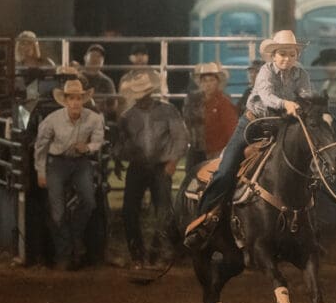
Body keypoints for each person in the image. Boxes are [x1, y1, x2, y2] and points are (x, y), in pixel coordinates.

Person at [184, 30, 312, 248]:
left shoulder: (301, 74)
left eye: (291, 54)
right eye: (282, 54)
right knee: (226, 169)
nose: (287, 59)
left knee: (304, 166)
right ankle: (203, 219)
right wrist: (287, 104)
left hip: (281, 127)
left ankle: (307, 226)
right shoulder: (265, 72)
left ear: (297, 55)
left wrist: (308, 104)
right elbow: (266, 96)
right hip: (252, 125)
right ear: (273, 55)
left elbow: (307, 94)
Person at [114, 73, 189, 268]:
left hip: (160, 166)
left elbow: (181, 138)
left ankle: (155, 252)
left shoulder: (168, 111)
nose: (141, 98)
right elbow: (121, 144)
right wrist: (121, 154)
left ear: (150, 93)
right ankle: (138, 255)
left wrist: (173, 161)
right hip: (138, 165)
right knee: (130, 210)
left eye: (144, 94)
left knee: (163, 210)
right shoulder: (127, 116)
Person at [33, 79, 105, 270]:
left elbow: (99, 140)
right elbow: (40, 147)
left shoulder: (94, 118)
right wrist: (41, 171)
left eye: (78, 98)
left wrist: (88, 147)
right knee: (58, 211)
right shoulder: (52, 120)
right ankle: (65, 251)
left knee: (89, 202)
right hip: (57, 162)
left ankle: (72, 239)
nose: (75, 102)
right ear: (65, 101)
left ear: (83, 100)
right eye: (71, 98)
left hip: (80, 161)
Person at [183, 62, 239, 169]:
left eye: (212, 80)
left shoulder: (224, 102)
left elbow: (231, 130)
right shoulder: (193, 100)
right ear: (200, 83)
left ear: (218, 82)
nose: (208, 84)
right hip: (196, 149)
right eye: (204, 81)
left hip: (216, 151)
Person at [118, 44, 164, 115]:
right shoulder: (125, 79)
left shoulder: (156, 76)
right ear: (131, 58)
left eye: (142, 54)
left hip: (151, 117)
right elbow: (121, 103)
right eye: (136, 55)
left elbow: (162, 100)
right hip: (131, 118)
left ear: (147, 57)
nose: (139, 58)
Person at [81, 44, 117, 117]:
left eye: (99, 56)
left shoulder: (107, 82)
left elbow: (113, 106)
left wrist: (100, 109)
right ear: (85, 58)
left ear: (103, 61)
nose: (96, 58)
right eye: (93, 55)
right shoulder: (76, 78)